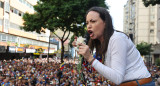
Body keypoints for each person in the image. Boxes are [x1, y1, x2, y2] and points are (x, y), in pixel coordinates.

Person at [72, 7, 155, 86]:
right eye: (87, 23)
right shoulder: (103, 43)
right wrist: (83, 55)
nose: (89, 26)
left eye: (93, 21)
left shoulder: (117, 39)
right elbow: (99, 70)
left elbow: (117, 78)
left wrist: (90, 58)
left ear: (105, 23)